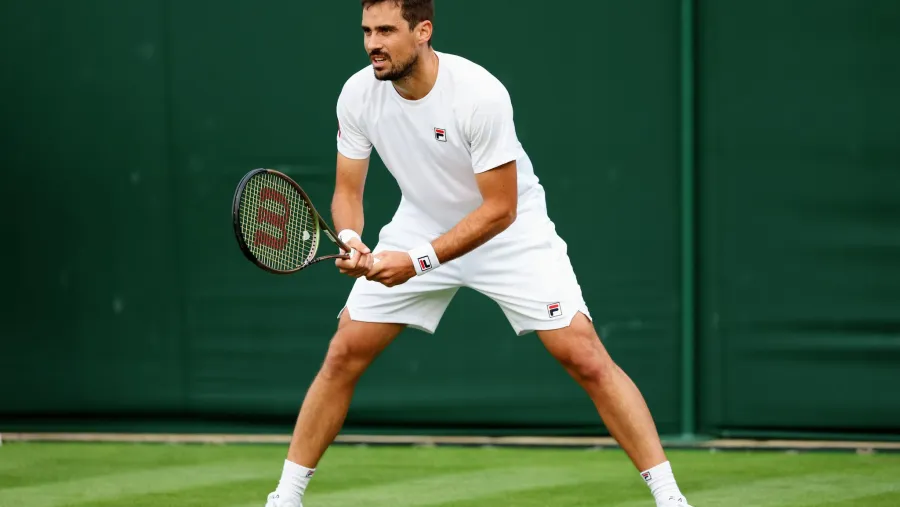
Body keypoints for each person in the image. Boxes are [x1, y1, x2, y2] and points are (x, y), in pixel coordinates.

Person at [264, 1, 694, 506]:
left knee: (585, 356)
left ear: (422, 31)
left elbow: (500, 209)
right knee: (343, 353)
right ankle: (285, 497)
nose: (372, 44)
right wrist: (352, 238)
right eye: (366, 31)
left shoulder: (478, 94)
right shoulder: (358, 94)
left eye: (386, 30)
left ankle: (670, 498)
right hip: (420, 221)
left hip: (509, 232)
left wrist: (418, 262)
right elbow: (347, 192)